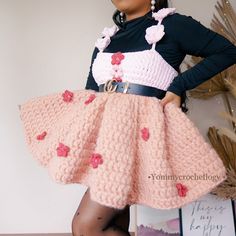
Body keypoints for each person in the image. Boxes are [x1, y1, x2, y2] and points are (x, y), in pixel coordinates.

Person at [18, 0, 236, 235]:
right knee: (111, 224)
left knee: (85, 227)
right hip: (107, 143)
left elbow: (228, 51)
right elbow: (91, 93)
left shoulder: (172, 25)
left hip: (138, 138)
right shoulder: (107, 39)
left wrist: (177, 87)